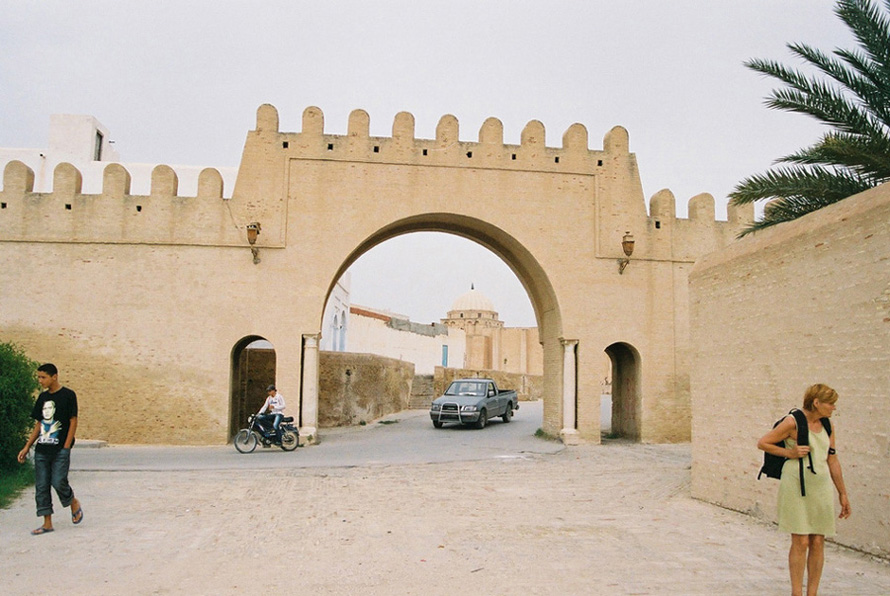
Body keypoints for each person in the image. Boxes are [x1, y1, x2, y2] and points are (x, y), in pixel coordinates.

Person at [757, 383, 851, 596]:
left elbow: (832, 459)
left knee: (818, 541)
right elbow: (763, 443)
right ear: (816, 402)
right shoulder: (793, 422)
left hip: (821, 487)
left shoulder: (827, 424)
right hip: (796, 485)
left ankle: (812, 593)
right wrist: (790, 453)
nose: (834, 407)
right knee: (800, 541)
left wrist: (843, 493)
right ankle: (796, 593)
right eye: (830, 403)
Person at [17, 363, 84, 535]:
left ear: (54, 377)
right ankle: (47, 523)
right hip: (42, 450)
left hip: (60, 448)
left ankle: (72, 502)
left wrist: (67, 446)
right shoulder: (43, 398)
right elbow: (39, 424)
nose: (40, 381)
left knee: (58, 481)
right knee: (41, 486)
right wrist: (27, 446)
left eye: (43, 377)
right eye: (39, 377)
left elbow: (73, 421)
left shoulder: (68, 395)